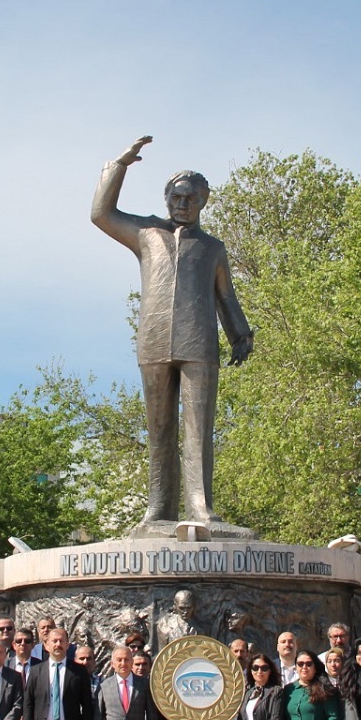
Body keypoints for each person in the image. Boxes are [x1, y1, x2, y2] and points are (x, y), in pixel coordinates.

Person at [91, 135, 254, 532]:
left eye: (191, 199)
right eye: (177, 197)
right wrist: (120, 166)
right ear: (167, 198)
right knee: (159, 429)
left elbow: (225, 295)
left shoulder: (213, 248)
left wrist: (240, 334)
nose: (182, 205)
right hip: (154, 340)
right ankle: (159, 508)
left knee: (199, 429)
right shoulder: (146, 233)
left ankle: (200, 507)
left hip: (199, 342)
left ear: (203, 202)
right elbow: (100, 213)